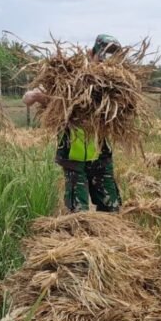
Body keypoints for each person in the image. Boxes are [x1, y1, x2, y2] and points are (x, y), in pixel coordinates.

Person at [23, 34, 123, 213]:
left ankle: (107, 240)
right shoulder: (70, 77)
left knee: (111, 208)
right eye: (101, 58)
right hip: (73, 157)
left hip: (101, 155)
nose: (103, 64)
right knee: (79, 212)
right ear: (91, 53)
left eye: (109, 60)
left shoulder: (113, 84)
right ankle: (79, 240)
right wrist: (39, 96)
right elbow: (28, 98)